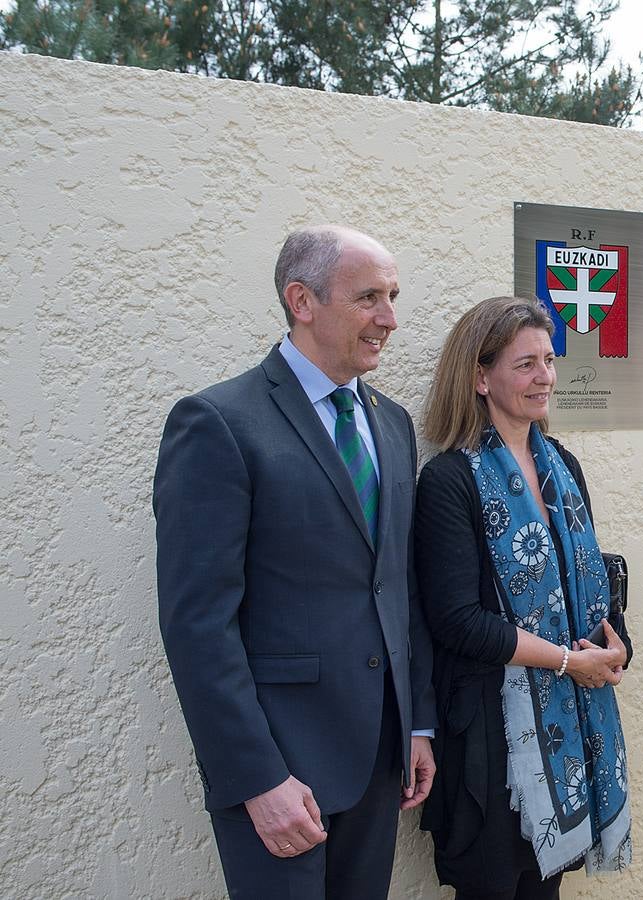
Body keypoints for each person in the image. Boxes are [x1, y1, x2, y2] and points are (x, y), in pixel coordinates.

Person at [153, 226, 436, 898]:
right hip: (281, 770)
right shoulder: (218, 423)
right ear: (301, 300)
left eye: (392, 296)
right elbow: (198, 624)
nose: (389, 319)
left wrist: (416, 723)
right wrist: (256, 778)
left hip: (379, 759)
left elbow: (399, 586)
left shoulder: (392, 423)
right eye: (369, 297)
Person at [415, 295, 633, 899]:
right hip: (491, 741)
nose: (545, 377)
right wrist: (569, 661)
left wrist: (614, 644)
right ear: (480, 377)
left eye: (549, 360)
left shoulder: (563, 465)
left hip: (566, 731)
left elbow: (584, 580)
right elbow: (457, 620)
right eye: (525, 364)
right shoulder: (449, 482)